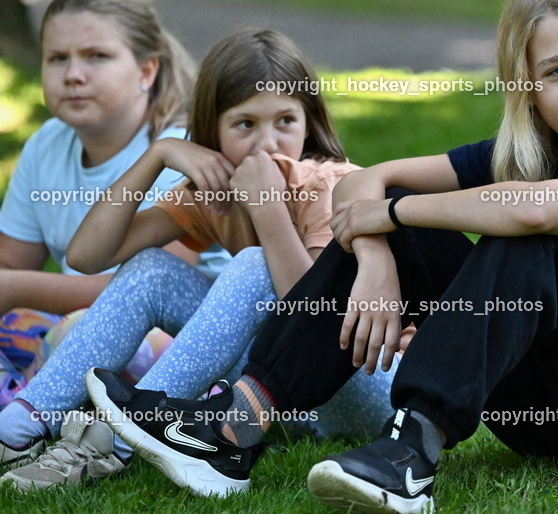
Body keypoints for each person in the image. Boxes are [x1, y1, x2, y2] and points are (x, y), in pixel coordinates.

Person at [85, 0, 558, 510]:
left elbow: (532, 212)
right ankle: (232, 428)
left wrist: (388, 215)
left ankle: (411, 448)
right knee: (412, 232)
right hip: (550, 418)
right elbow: (365, 180)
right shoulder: (525, 153)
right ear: (525, 85)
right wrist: (375, 255)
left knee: (527, 239)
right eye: (557, 71)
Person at [0, 29, 394, 492]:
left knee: (253, 263)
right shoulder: (213, 190)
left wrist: (267, 209)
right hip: (274, 399)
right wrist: (158, 155)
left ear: (309, 123)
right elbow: (87, 256)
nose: (267, 145)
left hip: (366, 385)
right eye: (244, 125)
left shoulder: (330, 183)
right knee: (151, 269)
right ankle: (19, 427)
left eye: (285, 120)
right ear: (213, 133)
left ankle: (111, 441)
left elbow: (315, 322)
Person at [0, 0, 228, 408]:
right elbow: (11, 262)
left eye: (96, 56)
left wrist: (13, 288)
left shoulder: (182, 154)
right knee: (38, 329)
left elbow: (149, 293)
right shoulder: (46, 143)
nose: (73, 75)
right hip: (75, 325)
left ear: (146, 71)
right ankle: (31, 390)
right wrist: (10, 286)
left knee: (80, 332)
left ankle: (31, 401)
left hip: (186, 337)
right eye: (57, 58)